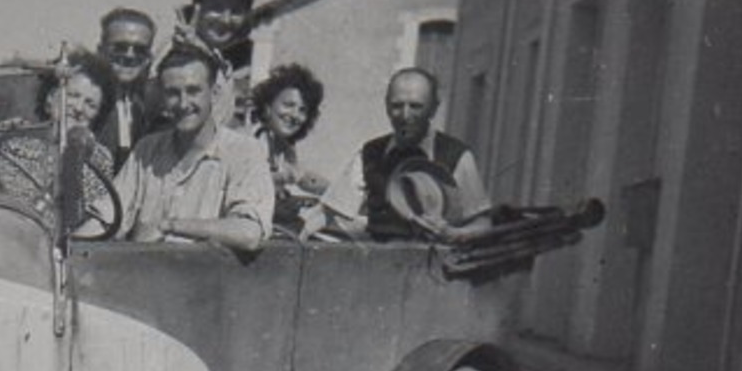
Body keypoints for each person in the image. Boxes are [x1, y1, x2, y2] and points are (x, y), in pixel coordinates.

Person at [112, 45, 273, 253]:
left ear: (214, 94)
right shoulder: (147, 149)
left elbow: (249, 233)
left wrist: (170, 226)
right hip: (146, 277)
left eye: (193, 91)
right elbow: (107, 217)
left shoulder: (244, 151)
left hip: (210, 280)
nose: (183, 103)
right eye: (173, 93)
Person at [301, 67, 491, 242]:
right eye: (397, 106)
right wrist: (301, 235)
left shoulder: (456, 155)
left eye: (416, 106)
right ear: (386, 106)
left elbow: (483, 223)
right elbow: (330, 212)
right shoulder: (370, 153)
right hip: (379, 263)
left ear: (433, 108)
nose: (405, 116)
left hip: (434, 268)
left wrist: (452, 233)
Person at [0, 52, 119, 234]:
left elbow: (76, 215)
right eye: (73, 95)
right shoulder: (12, 135)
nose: (78, 108)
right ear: (50, 98)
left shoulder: (97, 158)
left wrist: (74, 151)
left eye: (90, 104)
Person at [170, 0, 266, 129]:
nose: (225, 20)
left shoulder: (219, 61)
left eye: (236, 11)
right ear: (198, 8)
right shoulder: (179, 55)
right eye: (216, 8)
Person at [247, 62, 327, 238]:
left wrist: (333, 191)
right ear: (268, 107)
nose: (294, 115)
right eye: (288, 105)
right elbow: (254, 183)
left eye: (302, 110)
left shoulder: (284, 147)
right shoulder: (253, 140)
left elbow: (301, 177)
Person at [94, 7, 157, 170]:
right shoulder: (83, 99)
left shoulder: (149, 104)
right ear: (101, 51)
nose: (130, 55)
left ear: (148, 58)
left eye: (140, 50)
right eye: (120, 47)